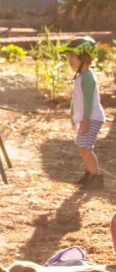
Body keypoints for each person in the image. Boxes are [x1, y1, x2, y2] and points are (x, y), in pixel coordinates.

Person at [58, 37, 105, 190]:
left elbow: (89, 100)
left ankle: (96, 178)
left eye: (72, 57)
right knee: (81, 147)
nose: (70, 60)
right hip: (86, 118)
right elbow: (76, 98)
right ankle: (89, 173)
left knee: (86, 148)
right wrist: (72, 116)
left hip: (93, 118)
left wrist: (85, 119)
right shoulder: (80, 76)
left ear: (84, 57)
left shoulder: (88, 77)